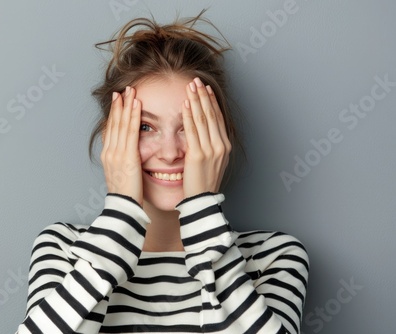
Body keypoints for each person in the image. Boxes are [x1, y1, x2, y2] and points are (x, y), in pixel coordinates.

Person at [16, 11, 309, 334]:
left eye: (191, 128)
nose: (170, 153)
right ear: (110, 137)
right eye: (145, 126)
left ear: (220, 139)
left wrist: (201, 205)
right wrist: (120, 216)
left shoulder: (274, 257)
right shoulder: (65, 249)